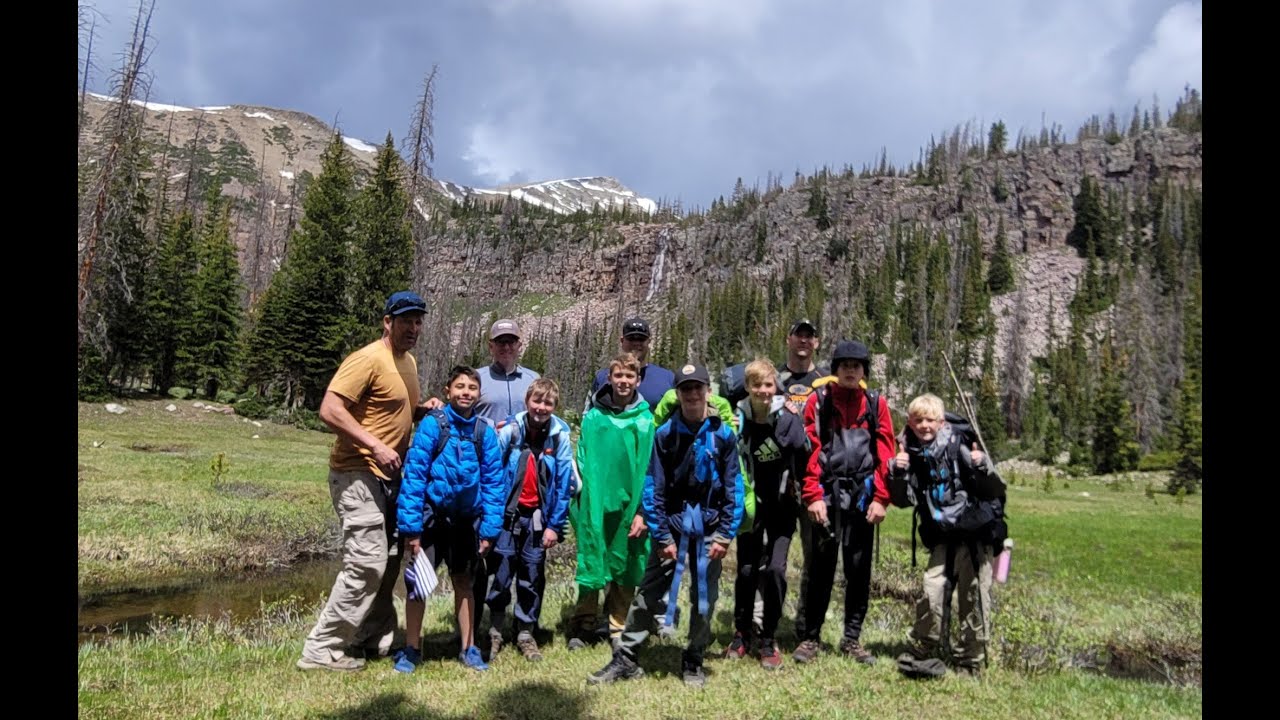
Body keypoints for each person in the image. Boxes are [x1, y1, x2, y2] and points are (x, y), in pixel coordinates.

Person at [296, 290, 430, 672]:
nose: (413, 328)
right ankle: (320, 648)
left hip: (390, 478)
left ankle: (368, 636)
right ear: (388, 322)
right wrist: (375, 445)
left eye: (418, 321)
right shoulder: (367, 359)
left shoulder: (408, 362)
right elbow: (330, 409)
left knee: (388, 562)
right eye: (406, 320)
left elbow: (388, 410)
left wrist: (422, 409)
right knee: (367, 561)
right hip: (357, 472)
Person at [588, 364, 744, 688]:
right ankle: (627, 659)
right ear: (678, 393)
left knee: (704, 597)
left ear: (707, 391)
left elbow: (734, 487)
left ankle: (694, 659)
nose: (692, 394)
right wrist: (661, 535)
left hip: (710, 526)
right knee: (648, 595)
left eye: (697, 388)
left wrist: (726, 533)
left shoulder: (723, 435)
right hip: (671, 526)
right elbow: (652, 487)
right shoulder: (665, 434)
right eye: (685, 389)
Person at [394, 366, 503, 673]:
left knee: (464, 583)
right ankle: (412, 648)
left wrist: (490, 529)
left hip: (467, 522)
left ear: (479, 394)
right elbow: (414, 475)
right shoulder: (432, 425)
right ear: (447, 390)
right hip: (432, 518)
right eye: (459, 386)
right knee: (417, 585)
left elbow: (494, 484)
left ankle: (468, 647)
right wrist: (411, 529)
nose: (465, 392)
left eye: (471, 387)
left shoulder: (484, 431)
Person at [793, 340, 895, 666]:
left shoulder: (876, 404)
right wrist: (812, 495)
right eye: (845, 365)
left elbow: (886, 453)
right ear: (835, 369)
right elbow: (809, 450)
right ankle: (810, 638)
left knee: (858, 572)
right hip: (827, 497)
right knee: (820, 571)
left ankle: (852, 639)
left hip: (863, 499)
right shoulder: (818, 402)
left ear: (865, 371)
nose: (851, 370)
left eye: (857, 365)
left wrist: (881, 498)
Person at [890, 393, 1007, 679]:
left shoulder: (960, 445)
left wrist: (983, 465)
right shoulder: (911, 453)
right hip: (943, 534)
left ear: (941, 422)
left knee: (973, 595)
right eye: (918, 420)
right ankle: (925, 647)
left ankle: (970, 660)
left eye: (930, 420)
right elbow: (904, 500)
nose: (924, 426)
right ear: (910, 422)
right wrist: (896, 473)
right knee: (932, 589)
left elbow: (995, 488)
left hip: (974, 532)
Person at [724, 359, 813, 670]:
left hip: (782, 506)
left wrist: (808, 494)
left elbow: (804, 457)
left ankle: (768, 637)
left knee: (775, 569)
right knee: (747, 569)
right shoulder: (738, 419)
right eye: (757, 385)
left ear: (776, 387)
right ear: (747, 387)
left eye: (768, 385)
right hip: (750, 506)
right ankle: (741, 632)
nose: (763, 391)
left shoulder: (788, 419)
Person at [478, 378, 575, 662]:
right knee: (502, 573)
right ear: (527, 401)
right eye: (537, 401)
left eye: (548, 403)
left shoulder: (559, 436)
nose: (541, 408)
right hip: (508, 517)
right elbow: (492, 473)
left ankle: (525, 632)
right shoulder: (510, 430)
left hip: (537, 519)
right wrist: (491, 516)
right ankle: (495, 630)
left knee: (532, 576)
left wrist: (555, 526)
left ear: (555, 406)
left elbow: (563, 483)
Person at [568, 352, 657, 649]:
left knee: (625, 559)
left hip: (629, 504)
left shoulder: (645, 421)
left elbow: (649, 467)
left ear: (638, 380)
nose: (623, 381)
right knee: (593, 556)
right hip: (595, 502)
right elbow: (581, 460)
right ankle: (584, 622)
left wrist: (642, 510)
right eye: (618, 376)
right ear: (609, 378)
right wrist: (585, 500)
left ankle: (618, 623)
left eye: (629, 376)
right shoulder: (594, 417)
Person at [587, 317, 675, 410]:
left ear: (649, 341)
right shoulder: (602, 377)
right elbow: (589, 413)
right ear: (622, 341)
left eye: (641, 339)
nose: (636, 343)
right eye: (631, 338)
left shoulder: (667, 378)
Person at [474, 319, 542, 425]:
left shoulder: (533, 379)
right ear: (491, 347)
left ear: (519, 346)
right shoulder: (476, 378)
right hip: (487, 440)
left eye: (511, 342)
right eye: (501, 342)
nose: (506, 347)